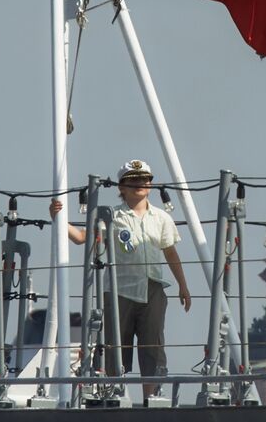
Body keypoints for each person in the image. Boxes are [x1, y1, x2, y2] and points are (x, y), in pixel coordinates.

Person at [49, 160, 190, 399]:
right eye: (133, 180)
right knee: (114, 347)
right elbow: (82, 238)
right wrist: (58, 218)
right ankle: (111, 396)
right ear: (121, 187)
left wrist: (183, 286)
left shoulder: (162, 217)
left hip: (152, 288)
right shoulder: (111, 215)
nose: (140, 184)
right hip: (119, 291)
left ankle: (151, 399)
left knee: (153, 347)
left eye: (145, 179)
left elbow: (170, 252)